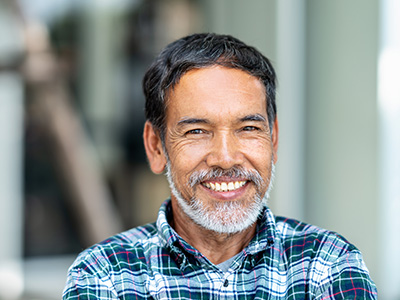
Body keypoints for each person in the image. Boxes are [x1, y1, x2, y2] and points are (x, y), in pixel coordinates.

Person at [63, 33, 377, 299]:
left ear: (274, 139)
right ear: (156, 147)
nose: (226, 158)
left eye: (248, 129)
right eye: (197, 131)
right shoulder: (106, 275)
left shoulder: (327, 264)